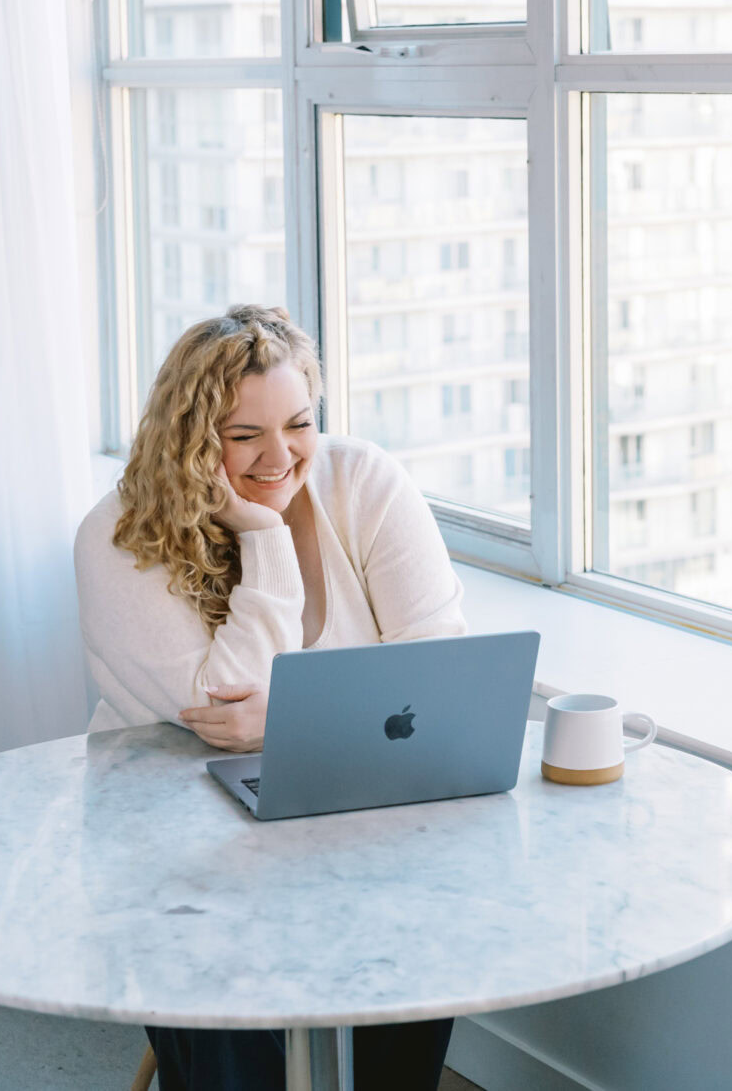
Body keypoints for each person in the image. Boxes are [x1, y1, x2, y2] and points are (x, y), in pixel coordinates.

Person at [74, 305, 466, 1091]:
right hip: (173, 841)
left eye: (298, 424)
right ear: (187, 438)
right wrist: (266, 539)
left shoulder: (364, 482)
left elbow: (443, 682)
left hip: (346, 812)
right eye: (242, 434)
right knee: (234, 1057)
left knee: (423, 949)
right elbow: (218, 717)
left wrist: (286, 721)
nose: (279, 456)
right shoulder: (115, 535)